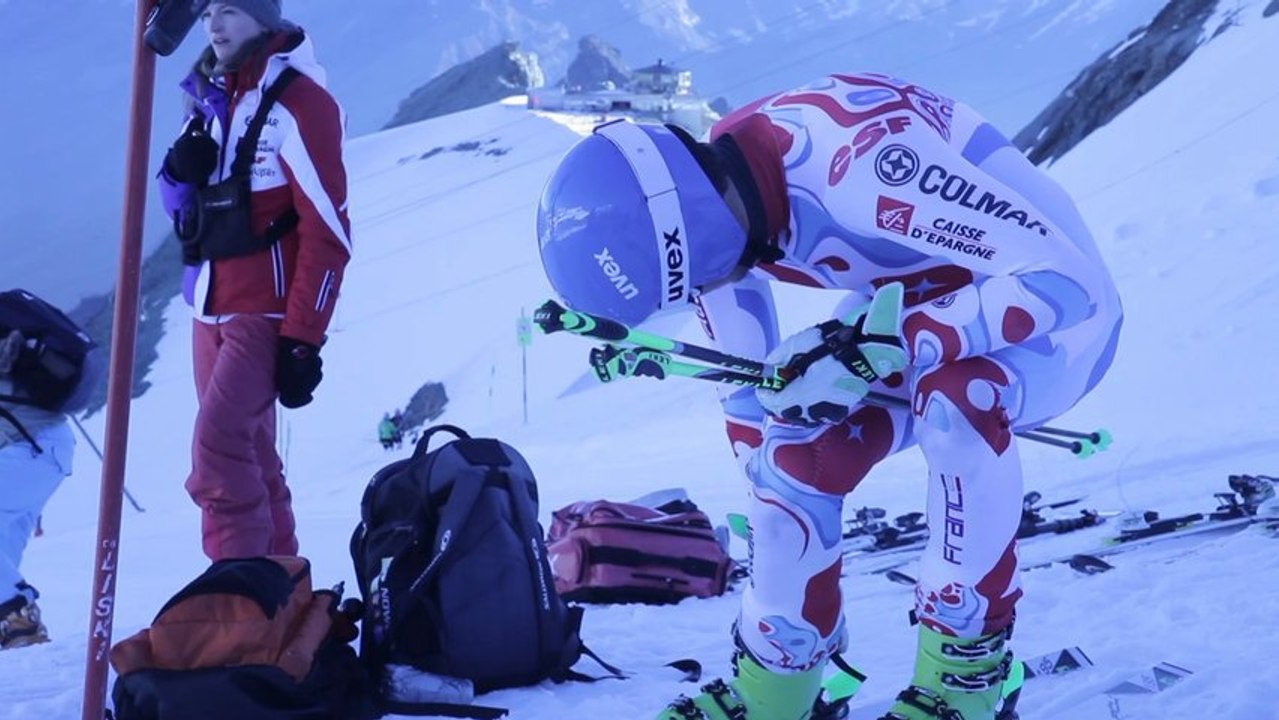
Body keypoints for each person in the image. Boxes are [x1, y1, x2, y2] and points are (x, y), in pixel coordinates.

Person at [537, 72, 1123, 720]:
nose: (703, 292)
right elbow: (747, 391)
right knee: (791, 454)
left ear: (696, 233)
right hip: (912, 309)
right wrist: (772, 486)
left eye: (695, 279)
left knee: (955, 405)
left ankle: (966, 680)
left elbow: (1066, 284)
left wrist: (873, 344)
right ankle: (775, 690)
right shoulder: (722, 203)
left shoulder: (858, 163)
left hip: (1054, 320)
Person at [158, 0, 351, 561]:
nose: (214, 25)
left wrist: (302, 339)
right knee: (256, 458)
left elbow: (329, 233)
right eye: (207, 14)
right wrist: (178, 173)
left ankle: (237, 589)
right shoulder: (208, 96)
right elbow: (182, 212)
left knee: (218, 450)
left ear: (264, 19)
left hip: (263, 313)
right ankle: (282, 589)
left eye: (230, 11)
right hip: (207, 309)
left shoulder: (302, 103)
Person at [0, 329, 75, 649]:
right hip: (40, 449)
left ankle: (19, 619)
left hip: (32, 449)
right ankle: (16, 634)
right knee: (4, 545)